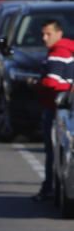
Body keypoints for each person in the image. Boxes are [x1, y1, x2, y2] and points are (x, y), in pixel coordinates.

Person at [33, 21, 74, 201]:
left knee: (53, 151)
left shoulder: (59, 53)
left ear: (59, 33)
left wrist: (39, 84)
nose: (44, 38)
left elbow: (52, 81)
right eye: (42, 34)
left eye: (48, 34)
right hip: (62, 106)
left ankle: (50, 187)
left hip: (57, 108)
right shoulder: (66, 50)